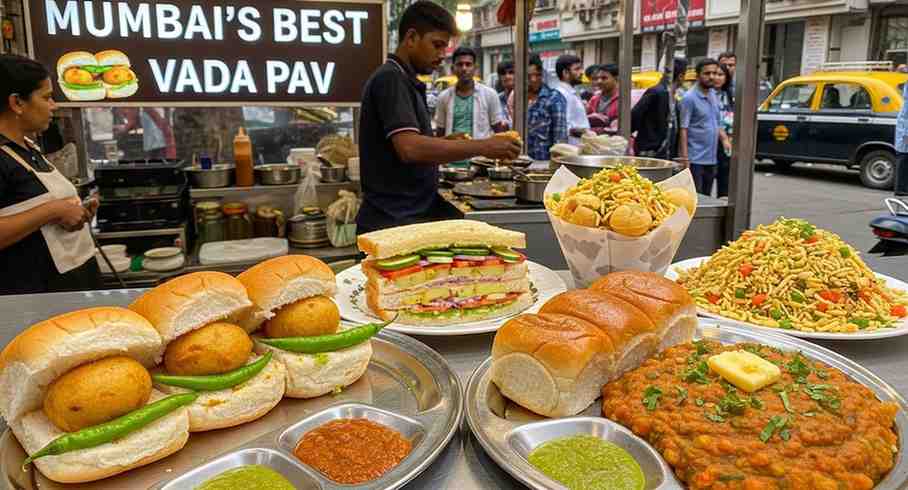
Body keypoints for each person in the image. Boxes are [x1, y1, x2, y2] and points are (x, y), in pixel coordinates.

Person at [355, 2, 521, 233]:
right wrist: (484, 146)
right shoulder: (391, 79)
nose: (442, 55)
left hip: (407, 214)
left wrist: (449, 142)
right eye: (437, 45)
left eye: (445, 47)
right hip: (392, 220)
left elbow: (407, 143)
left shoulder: (405, 79)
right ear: (411, 37)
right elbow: (410, 148)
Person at [0, 54, 100, 295]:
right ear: (17, 103)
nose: (53, 106)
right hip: (34, 295)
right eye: (46, 97)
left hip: (73, 282)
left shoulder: (29, 148)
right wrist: (54, 210)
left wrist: (76, 212)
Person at [678, 58, 731, 196]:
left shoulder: (713, 94)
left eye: (714, 73)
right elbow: (683, 129)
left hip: (711, 158)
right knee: (696, 199)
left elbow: (716, 122)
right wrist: (685, 159)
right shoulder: (689, 98)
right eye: (707, 73)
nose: (711, 77)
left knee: (707, 197)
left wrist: (724, 139)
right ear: (697, 75)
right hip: (695, 159)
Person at [434, 47, 506, 142]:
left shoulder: (490, 94)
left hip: (480, 155)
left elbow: (498, 129)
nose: (464, 68)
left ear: (475, 68)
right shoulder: (443, 97)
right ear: (453, 69)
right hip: (452, 155)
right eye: (460, 64)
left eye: (468, 64)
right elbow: (440, 131)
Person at [509, 55, 568, 160]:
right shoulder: (516, 98)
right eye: (528, 76)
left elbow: (560, 141)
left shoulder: (554, 98)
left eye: (538, 75)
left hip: (543, 165)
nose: (534, 79)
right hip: (518, 163)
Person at [631, 58, 688, 158]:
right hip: (652, 152)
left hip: (664, 152)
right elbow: (634, 116)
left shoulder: (672, 95)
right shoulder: (658, 92)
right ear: (680, 76)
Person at [554, 54, 590, 145]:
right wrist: (586, 133)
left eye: (581, 68)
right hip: (570, 148)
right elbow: (565, 126)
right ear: (565, 73)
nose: (581, 72)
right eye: (577, 69)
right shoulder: (561, 94)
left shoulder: (572, 92)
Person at [714, 63, 735, 198]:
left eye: (721, 75)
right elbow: (714, 120)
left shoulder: (728, 94)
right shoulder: (709, 95)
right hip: (714, 140)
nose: (716, 78)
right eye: (715, 74)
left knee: (725, 179)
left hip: (728, 141)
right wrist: (724, 138)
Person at [587, 64, 619, 135]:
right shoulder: (594, 99)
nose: (599, 81)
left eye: (604, 78)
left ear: (616, 79)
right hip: (595, 142)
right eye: (598, 78)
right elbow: (585, 122)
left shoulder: (624, 100)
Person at [895, 81, 908, 196]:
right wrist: (906, 135)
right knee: (904, 160)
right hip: (905, 135)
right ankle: (901, 189)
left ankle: (902, 188)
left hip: (904, 134)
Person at [496, 61, 515, 127]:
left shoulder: (524, 99)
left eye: (511, 73)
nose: (507, 76)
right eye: (503, 73)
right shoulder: (497, 99)